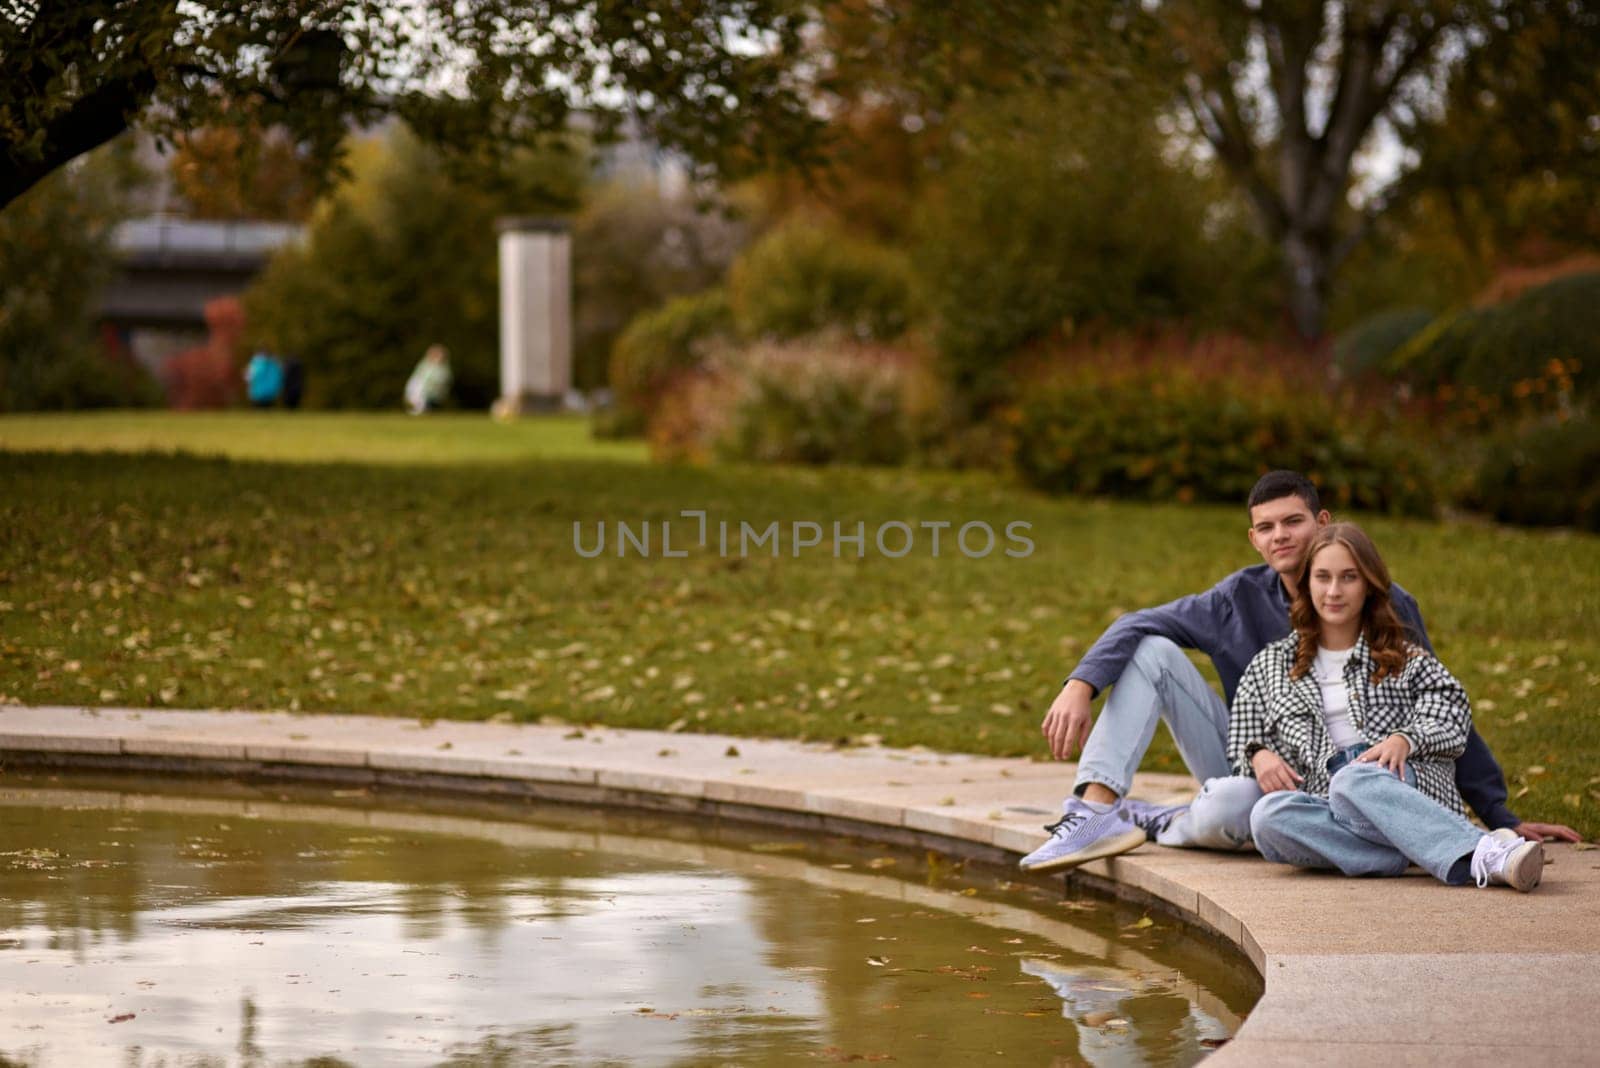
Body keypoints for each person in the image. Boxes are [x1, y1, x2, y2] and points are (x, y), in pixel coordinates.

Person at [1020, 471, 1578, 873]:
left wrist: (1499, 812)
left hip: (1358, 778)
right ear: (1253, 538)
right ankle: (1096, 811)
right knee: (1153, 655)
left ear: (1322, 522)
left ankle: (1160, 822)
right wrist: (1081, 684)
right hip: (1253, 768)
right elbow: (1138, 621)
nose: (1280, 536)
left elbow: (1441, 702)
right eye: (1266, 527)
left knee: (1256, 809)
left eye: (1293, 521)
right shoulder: (1234, 601)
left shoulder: (1385, 607)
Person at [1228, 522, 1543, 889]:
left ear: (1368, 585)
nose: (1333, 591)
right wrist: (1257, 754)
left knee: (1352, 779)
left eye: (1348, 577)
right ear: (1306, 584)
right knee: (1268, 816)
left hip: (1401, 780)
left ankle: (1489, 856)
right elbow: (1240, 741)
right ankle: (1420, 847)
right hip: (1327, 795)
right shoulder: (1270, 665)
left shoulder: (1404, 655)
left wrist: (1405, 739)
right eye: (1323, 577)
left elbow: (1452, 709)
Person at [404, 344, 452, 414]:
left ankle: (419, 411)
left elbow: (444, 382)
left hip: (429, 392)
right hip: (418, 388)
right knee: (417, 404)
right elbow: (418, 378)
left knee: (420, 405)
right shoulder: (425, 364)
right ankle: (416, 412)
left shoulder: (444, 369)